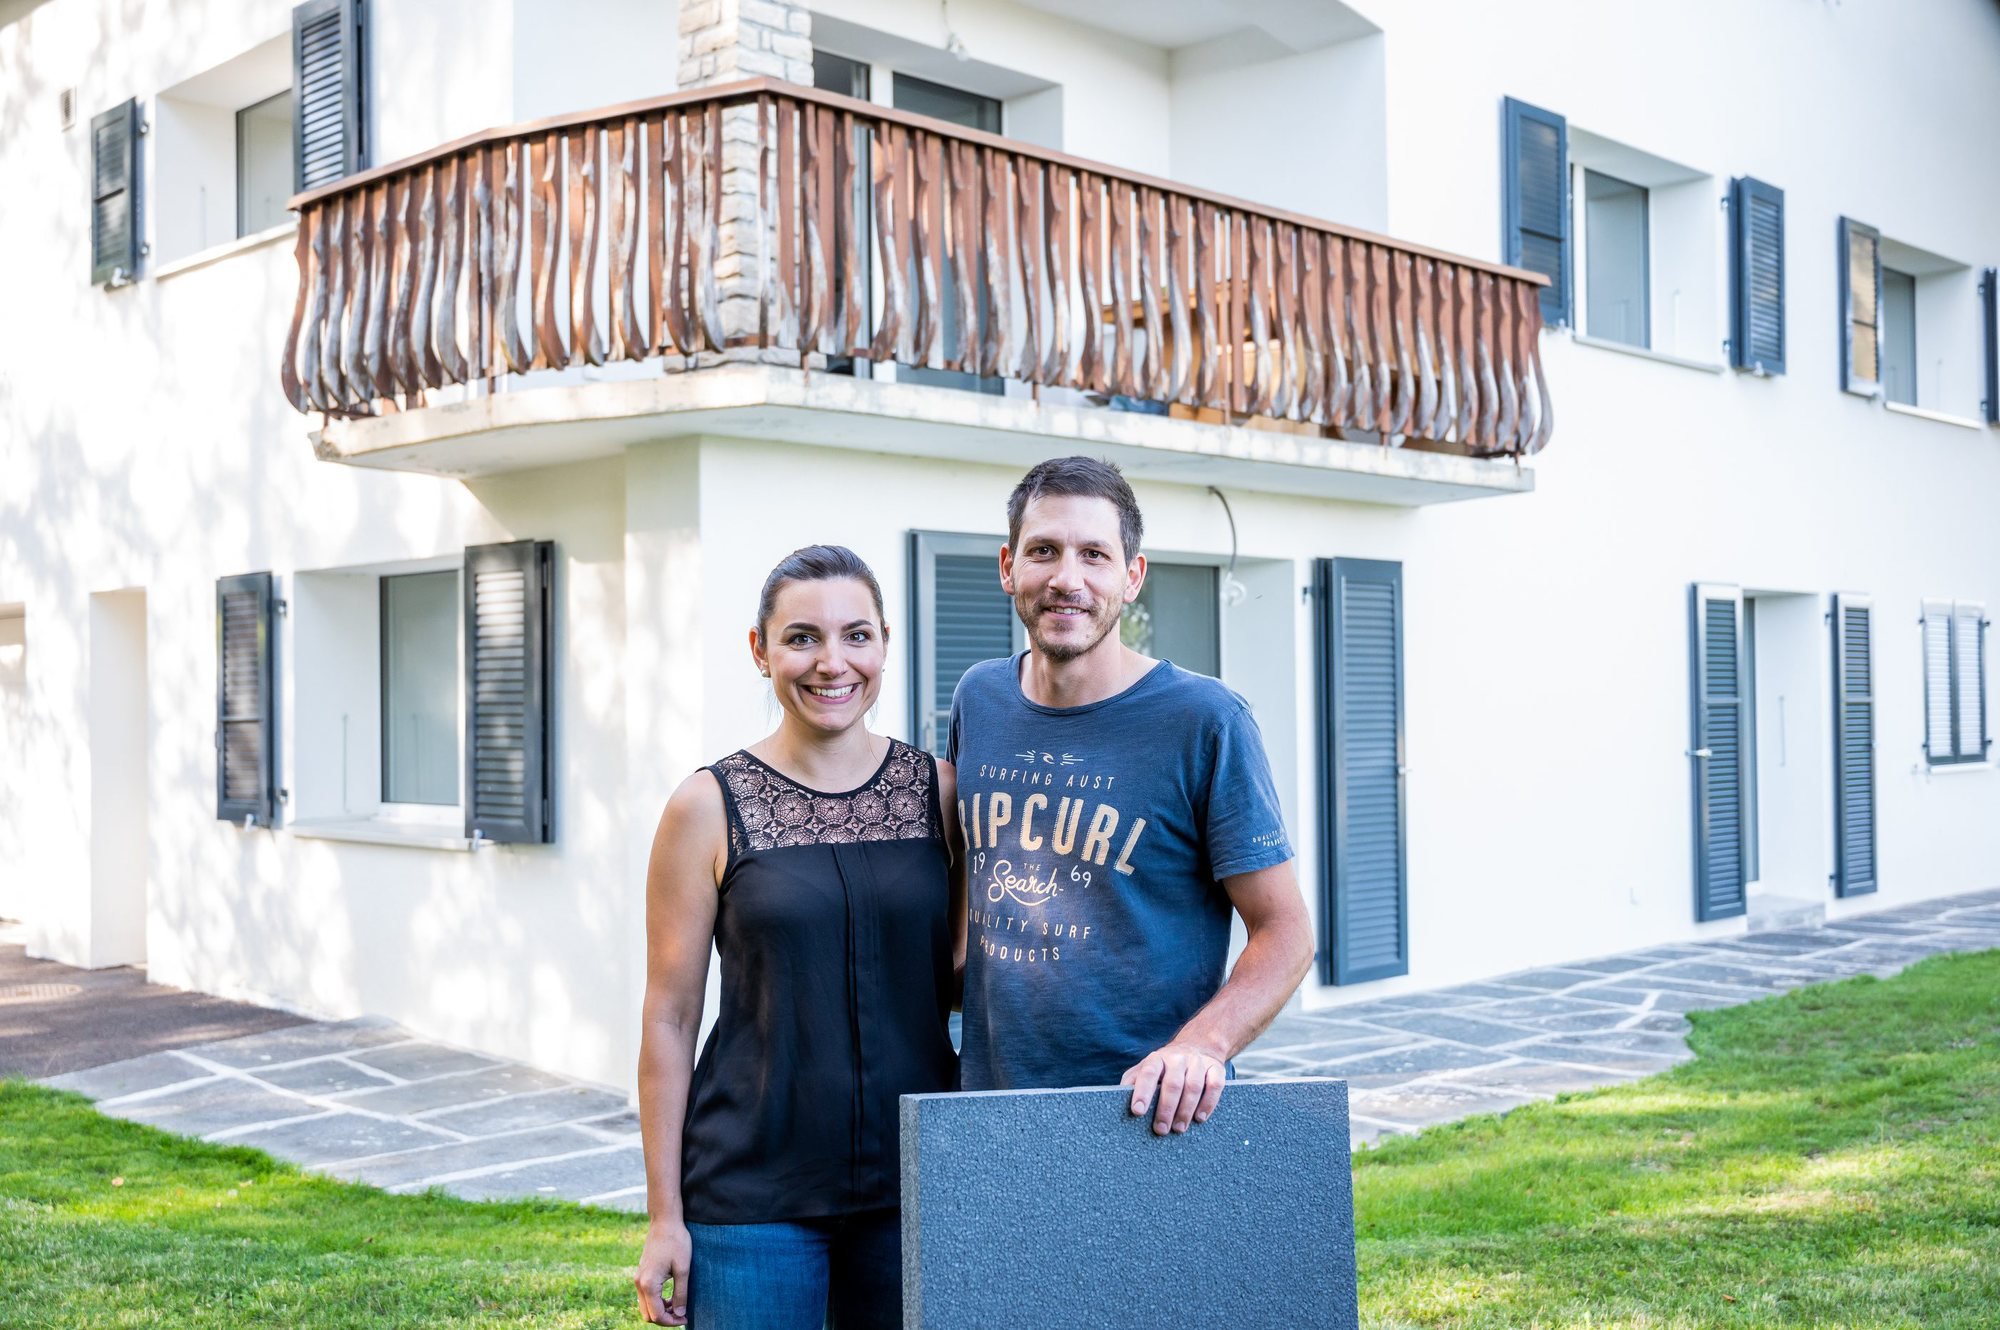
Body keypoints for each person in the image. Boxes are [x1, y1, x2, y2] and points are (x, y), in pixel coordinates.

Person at [634, 546, 964, 1328]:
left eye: (855, 636)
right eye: (802, 638)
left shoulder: (943, 795)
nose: (831, 663)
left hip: (912, 1189)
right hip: (752, 1196)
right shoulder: (706, 806)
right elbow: (669, 1017)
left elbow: (961, 976)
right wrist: (663, 1217)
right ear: (761, 650)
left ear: (884, 643)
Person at [947, 456, 1314, 1135]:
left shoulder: (1206, 720)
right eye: (1044, 552)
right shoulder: (979, 697)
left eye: (1094, 555)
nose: (1067, 579)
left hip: (1144, 1112)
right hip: (988, 1105)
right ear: (1008, 567)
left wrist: (1201, 1046)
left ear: (1132, 577)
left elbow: (1286, 931)